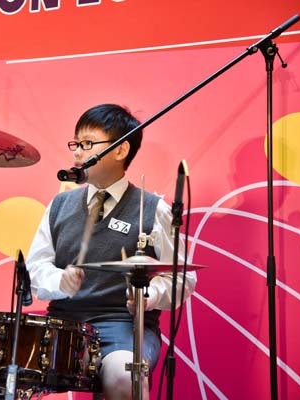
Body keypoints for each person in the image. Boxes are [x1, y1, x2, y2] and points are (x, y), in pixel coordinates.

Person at [26, 103, 197, 400]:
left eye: (88, 144)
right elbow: (35, 268)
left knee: (124, 375)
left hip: (122, 323)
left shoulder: (154, 208)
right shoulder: (59, 205)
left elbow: (182, 278)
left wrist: (149, 295)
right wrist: (59, 281)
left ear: (120, 150)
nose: (77, 153)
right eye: (76, 144)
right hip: (62, 324)